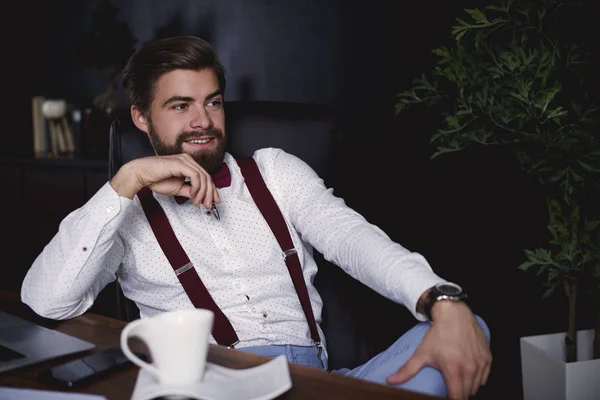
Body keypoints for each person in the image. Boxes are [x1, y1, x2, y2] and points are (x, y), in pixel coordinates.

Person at [21, 35, 491, 400]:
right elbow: (45, 302)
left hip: (318, 382)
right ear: (141, 118)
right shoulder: (122, 211)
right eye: (180, 106)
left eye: (213, 101)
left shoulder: (274, 171)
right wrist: (124, 183)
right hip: (214, 386)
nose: (203, 120)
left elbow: (354, 238)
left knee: (463, 328)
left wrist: (441, 299)